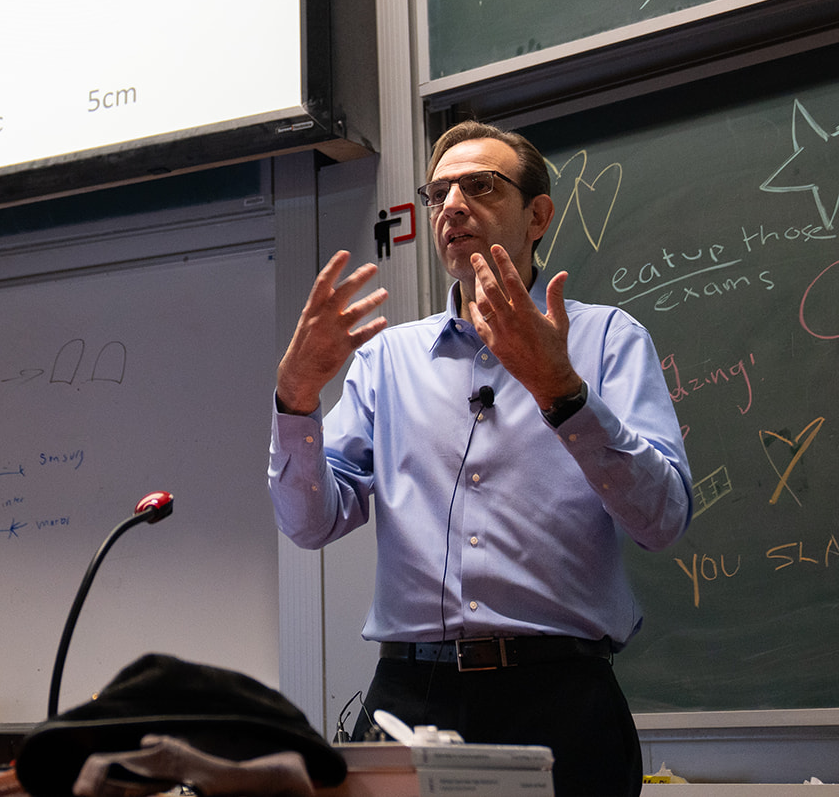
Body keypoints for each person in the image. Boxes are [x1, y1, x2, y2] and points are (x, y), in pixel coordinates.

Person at [268, 121, 692, 797]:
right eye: (439, 193)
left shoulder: (608, 340)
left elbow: (663, 519)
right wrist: (295, 400)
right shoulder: (387, 360)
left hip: (561, 697)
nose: (453, 205)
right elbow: (308, 523)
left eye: (482, 186)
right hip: (411, 696)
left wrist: (563, 392)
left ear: (538, 216)